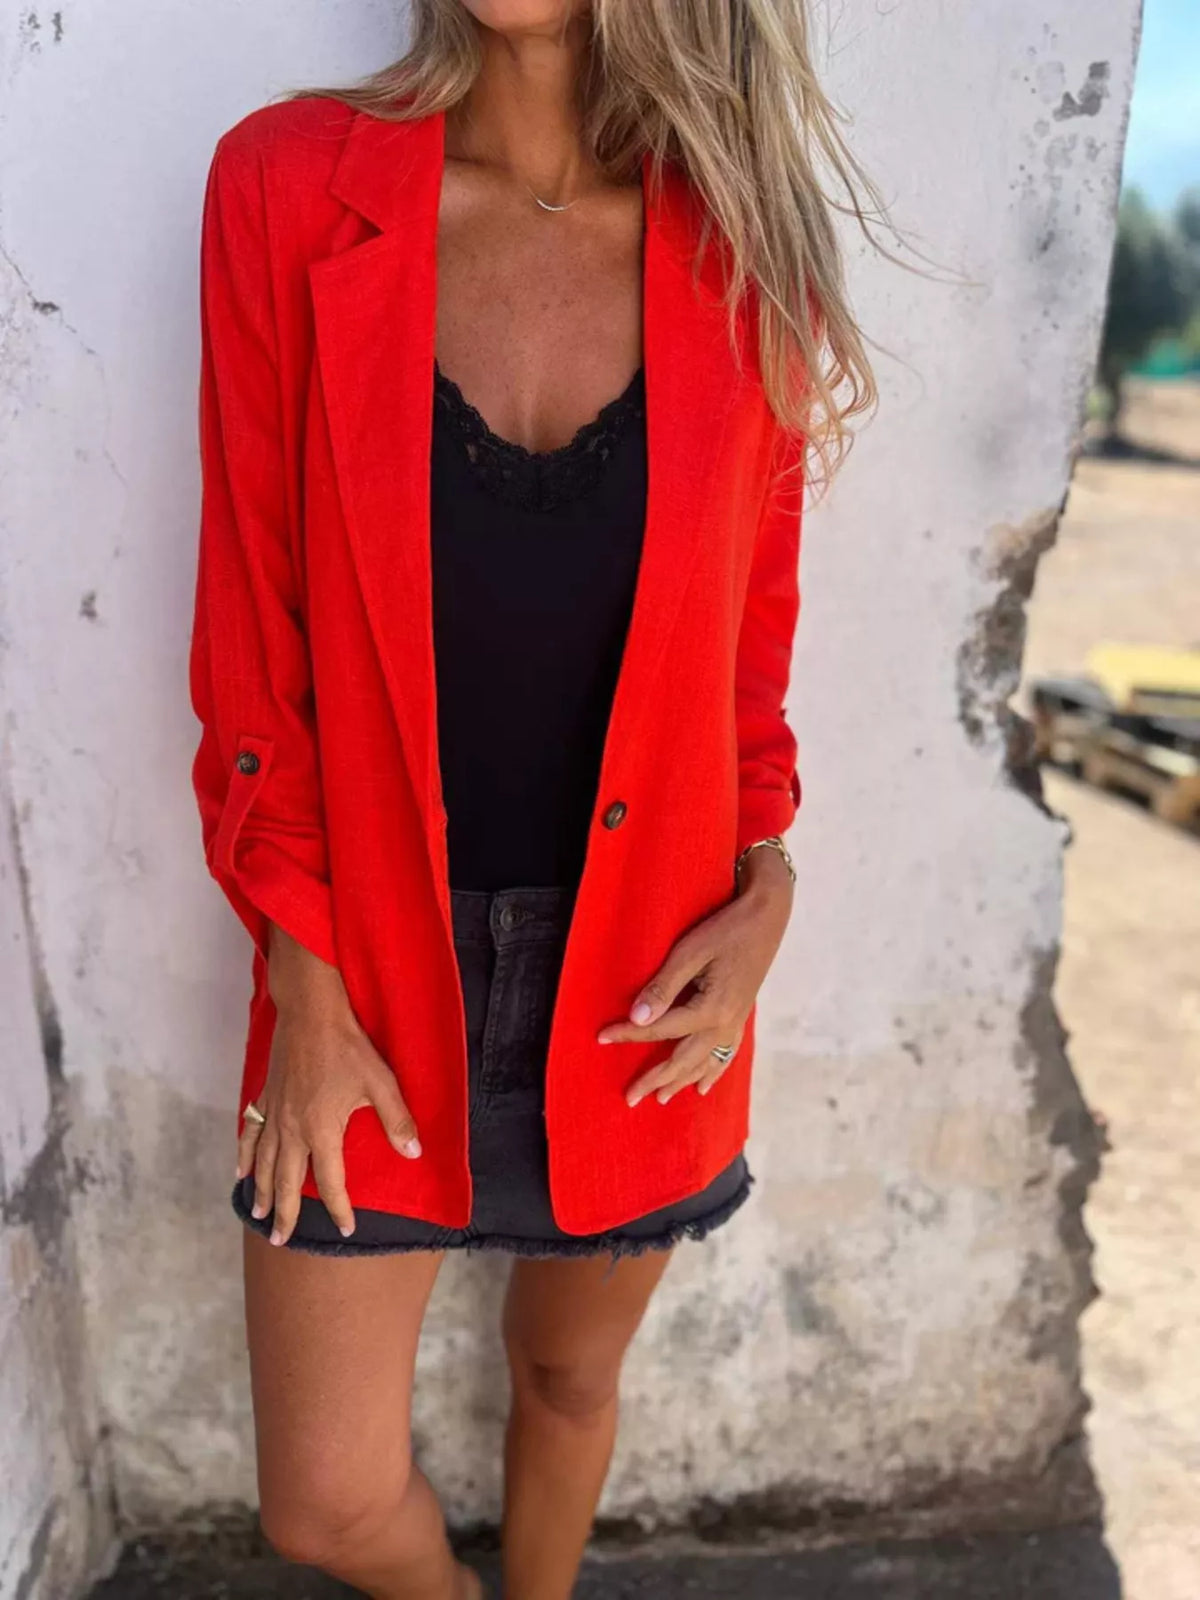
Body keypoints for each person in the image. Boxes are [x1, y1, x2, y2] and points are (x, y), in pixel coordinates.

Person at [189, 2, 875, 1595]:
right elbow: (249, 625)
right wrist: (300, 966)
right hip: (364, 970)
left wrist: (767, 884)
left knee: (569, 1382)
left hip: (652, 969)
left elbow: (744, 650)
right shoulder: (291, 185)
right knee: (328, 1503)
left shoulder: (742, 240)